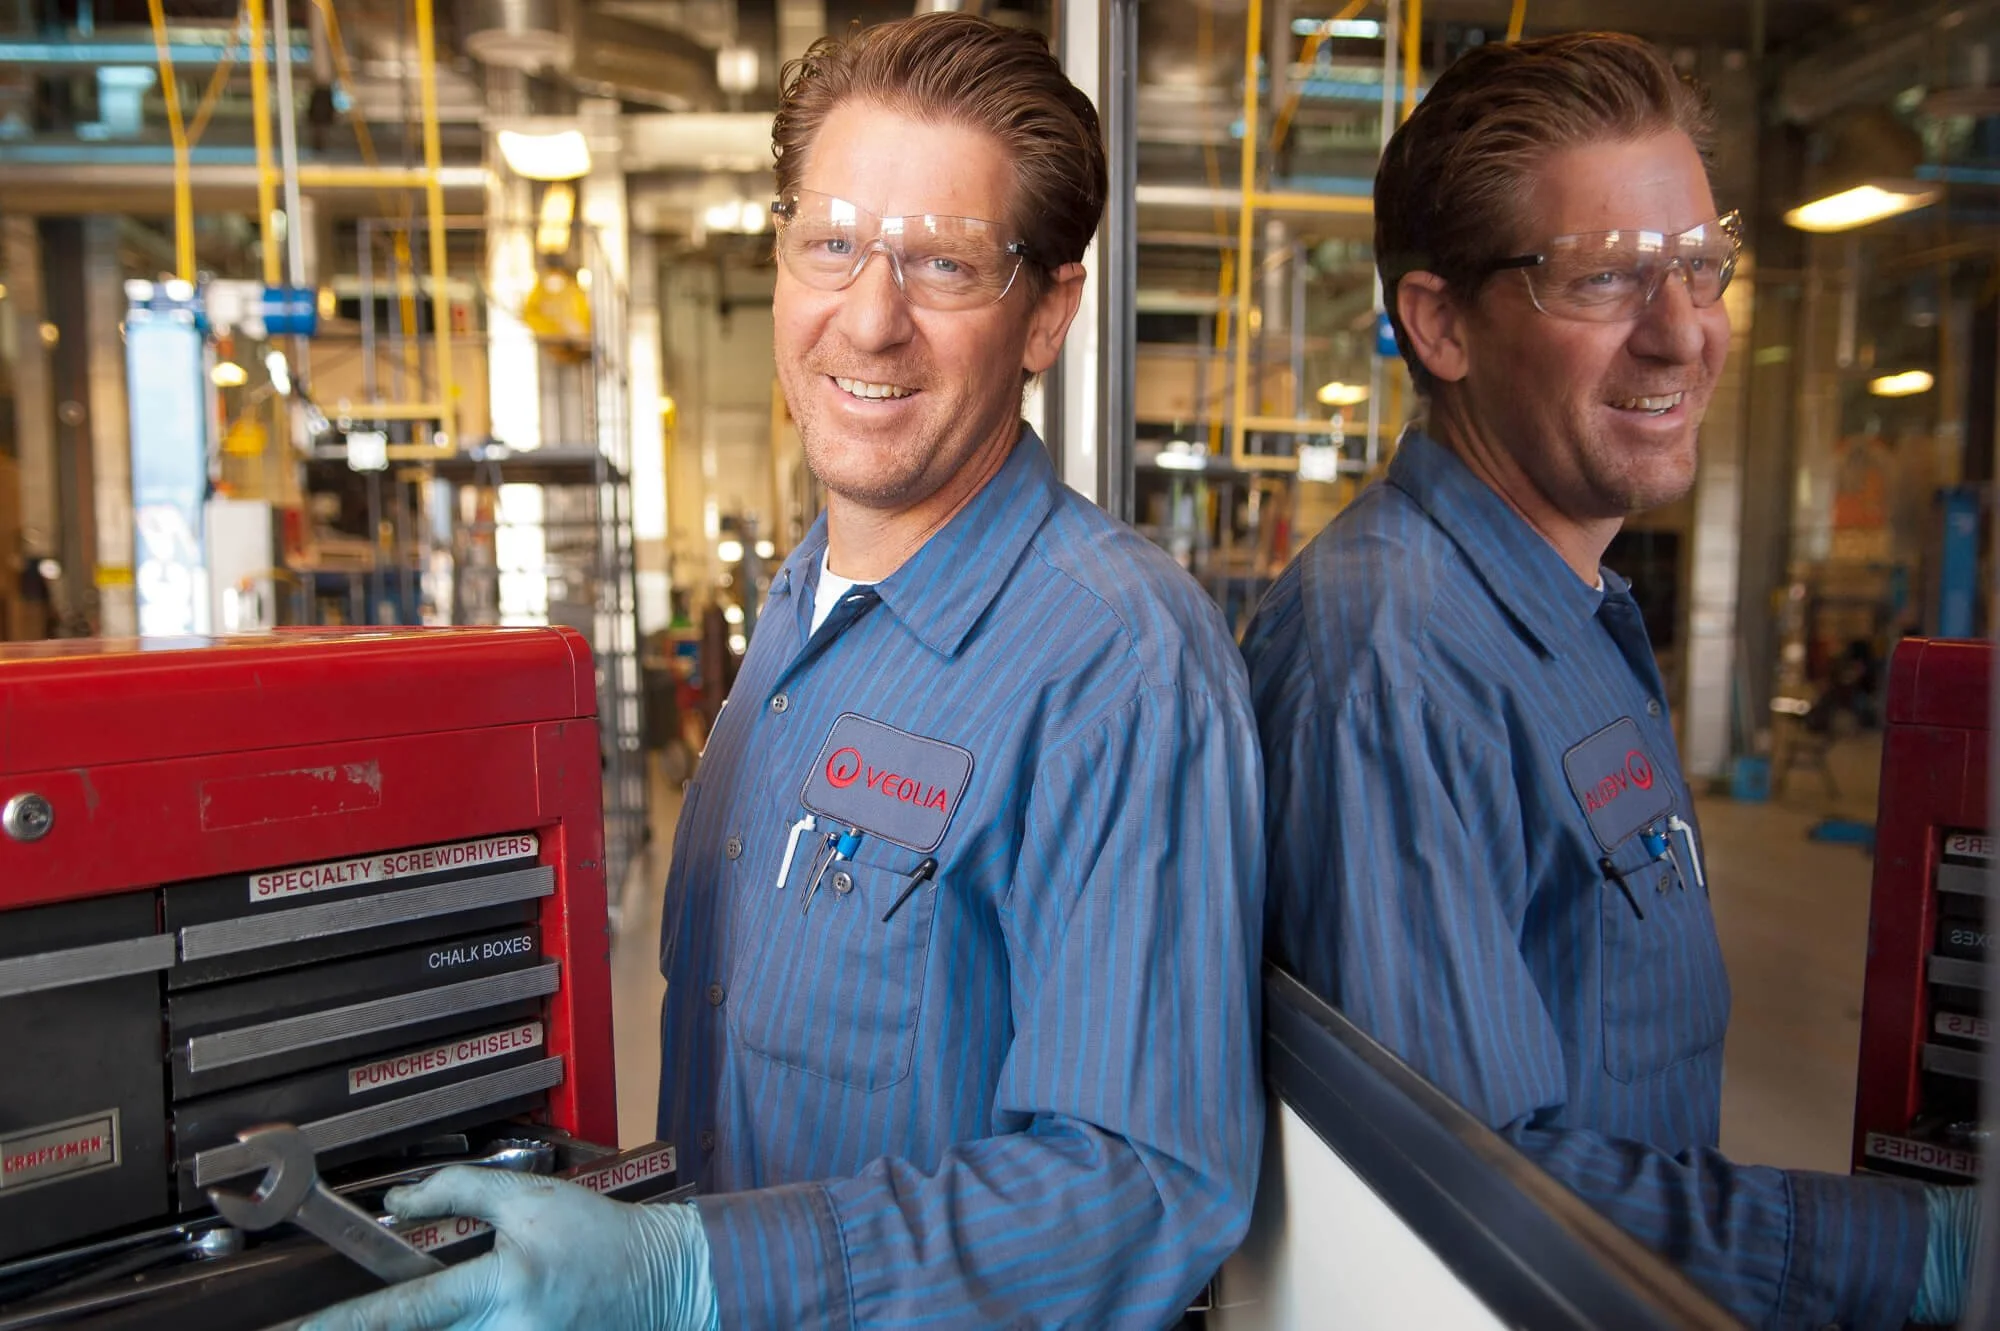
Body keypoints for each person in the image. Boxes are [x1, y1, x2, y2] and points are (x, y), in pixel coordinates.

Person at [305, 13, 1264, 1330]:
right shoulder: (800, 606)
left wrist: (702, 1273)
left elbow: (1142, 1185)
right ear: (780, 260)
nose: (871, 319)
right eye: (834, 243)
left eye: (945, 261)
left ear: (1048, 311)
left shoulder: (1118, 664)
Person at [1241, 31, 1980, 1331]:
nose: (1685, 331)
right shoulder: (1401, 662)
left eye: (1702, 264)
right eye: (1607, 280)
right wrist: (1925, 1252)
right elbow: (1485, 1200)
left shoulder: (1567, 610)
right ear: (1441, 322)